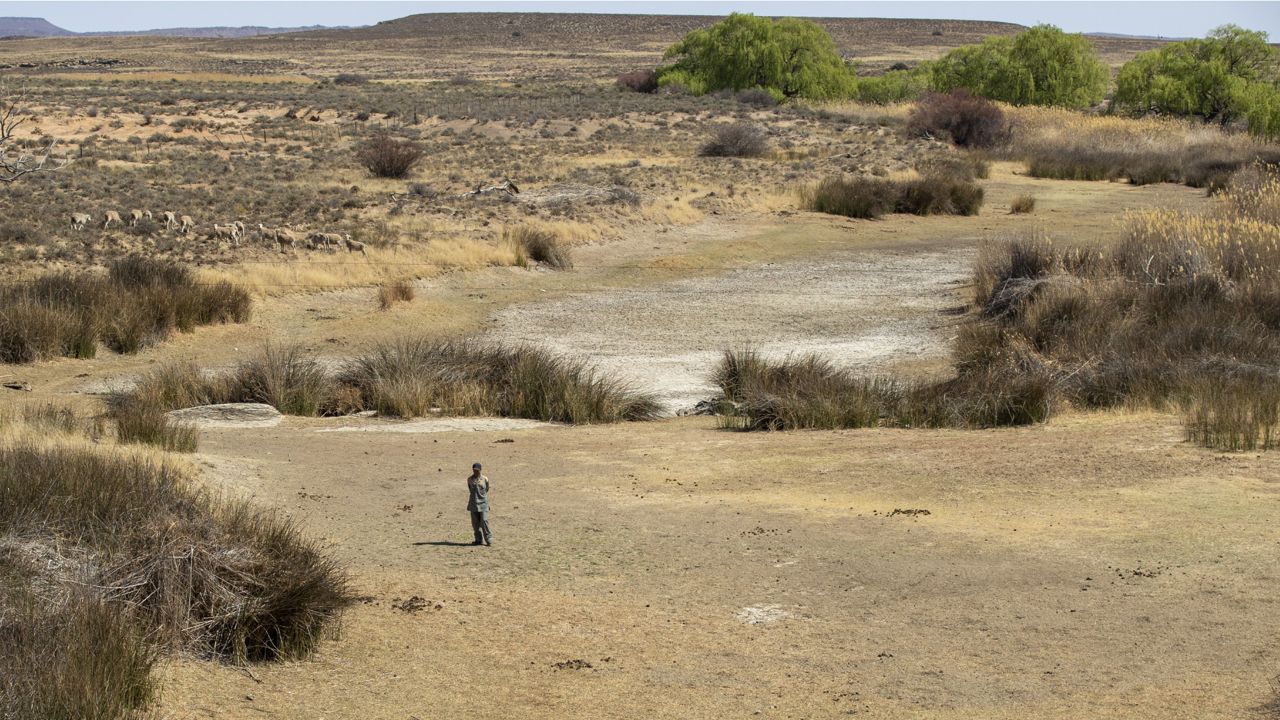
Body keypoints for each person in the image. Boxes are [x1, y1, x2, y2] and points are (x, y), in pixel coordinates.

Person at [467, 462, 492, 546]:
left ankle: (489, 539)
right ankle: (478, 540)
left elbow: (487, 489)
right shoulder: (469, 479)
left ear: (480, 470)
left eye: (477, 470)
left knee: (484, 521)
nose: (475, 472)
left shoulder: (485, 479)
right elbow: (470, 489)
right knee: (475, 524)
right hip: (473, 504)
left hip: (483, 504)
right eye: (474, 470)